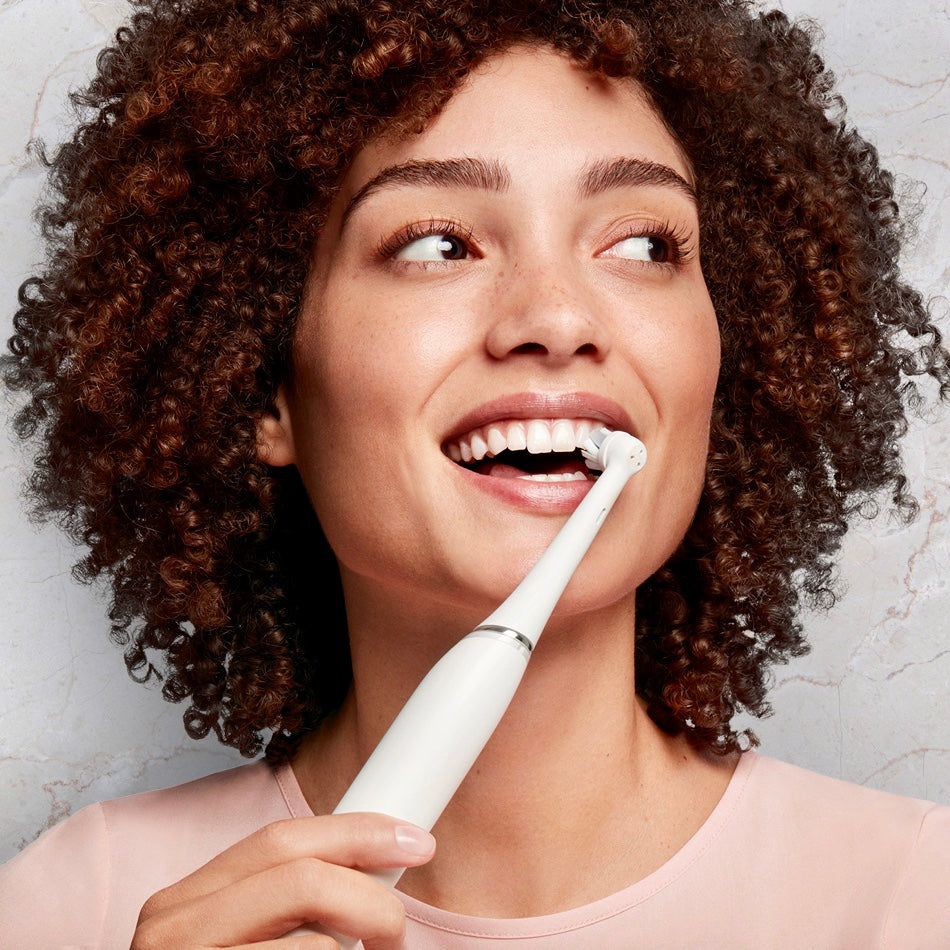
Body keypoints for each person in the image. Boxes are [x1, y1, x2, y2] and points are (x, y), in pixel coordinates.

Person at [1, 0, 949, 946]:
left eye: (643, 244)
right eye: (437, 244)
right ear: (265, 391)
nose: (559, 318)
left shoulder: (911, 899)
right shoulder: (79, 907)